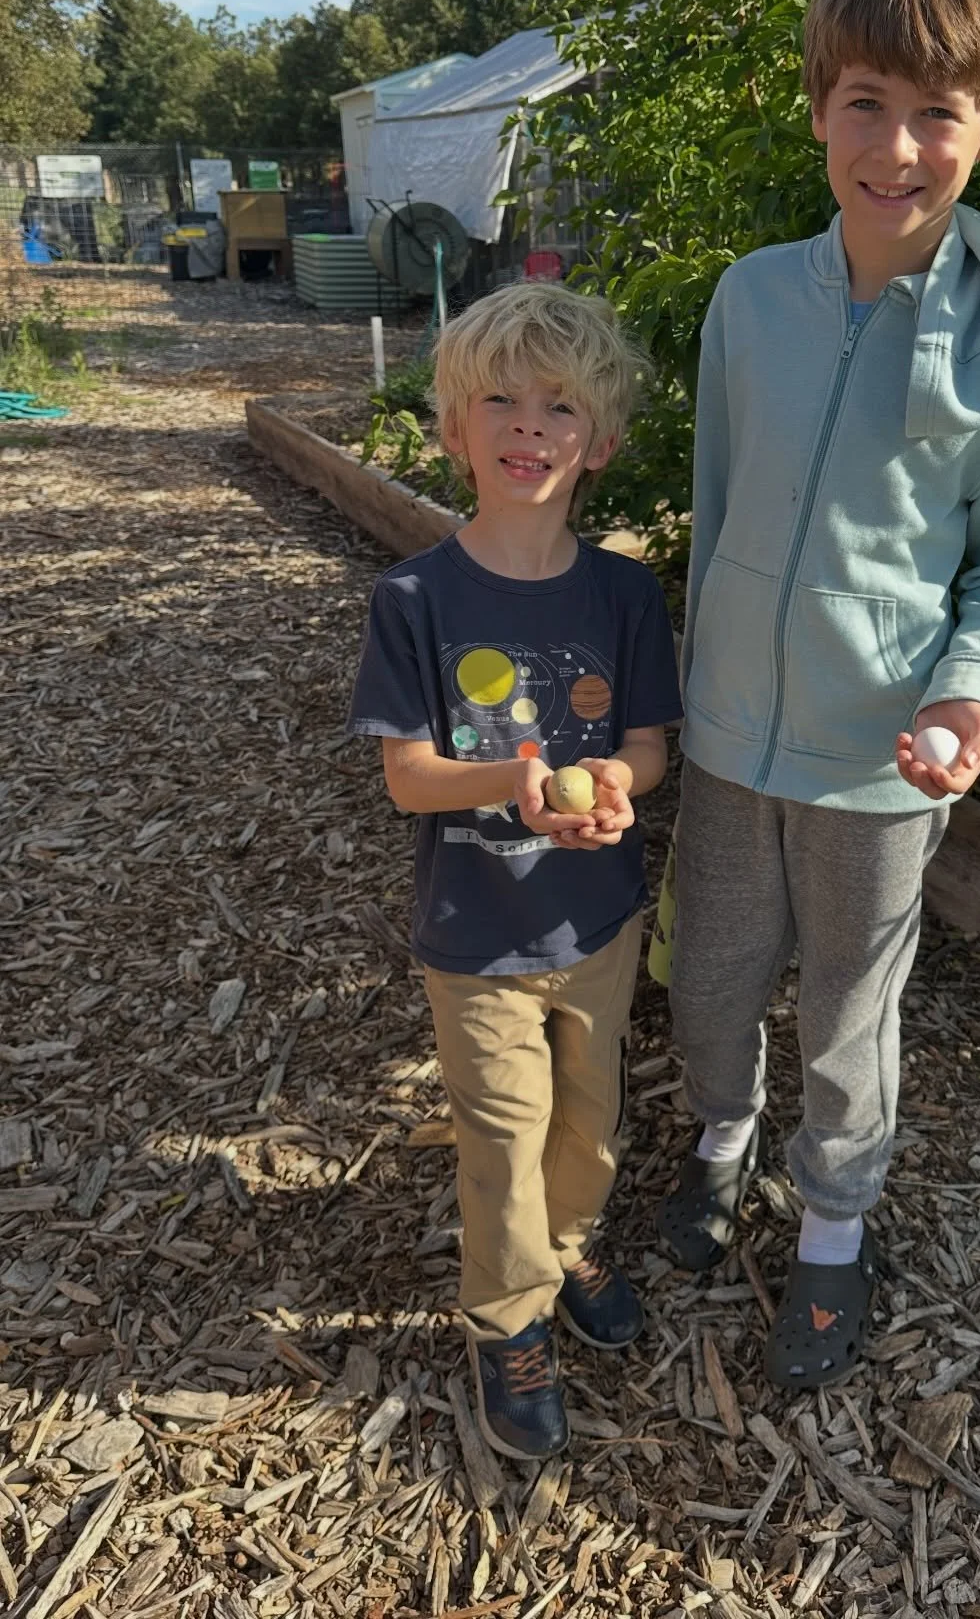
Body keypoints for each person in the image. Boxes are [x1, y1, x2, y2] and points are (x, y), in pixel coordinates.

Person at [657, 0, 980, 1388]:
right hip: (727, 736)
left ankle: (832, 1233)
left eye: (937, 115)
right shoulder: (749, 300)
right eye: (866, 105)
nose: (896, 147)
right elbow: (712, 517)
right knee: (706, 973)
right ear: (820, 104)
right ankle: (717, 1145)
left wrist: (967, 698)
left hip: (882, 759)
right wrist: (684, 691)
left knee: (849, 1011)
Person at [349, 283, 681, 1458]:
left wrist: (613, 799)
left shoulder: (625, 593)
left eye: (559, 406)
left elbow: (643, 750)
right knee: (501, 1131)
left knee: (588, 1121)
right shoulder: (418, 599)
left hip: (597, 915)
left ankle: (567, 1239)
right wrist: (516, 781)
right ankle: (509, 1318)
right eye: (501, 400)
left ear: (601, 442)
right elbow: (408, 777)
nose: (529, 425)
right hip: (477, 931)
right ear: (452, 427)